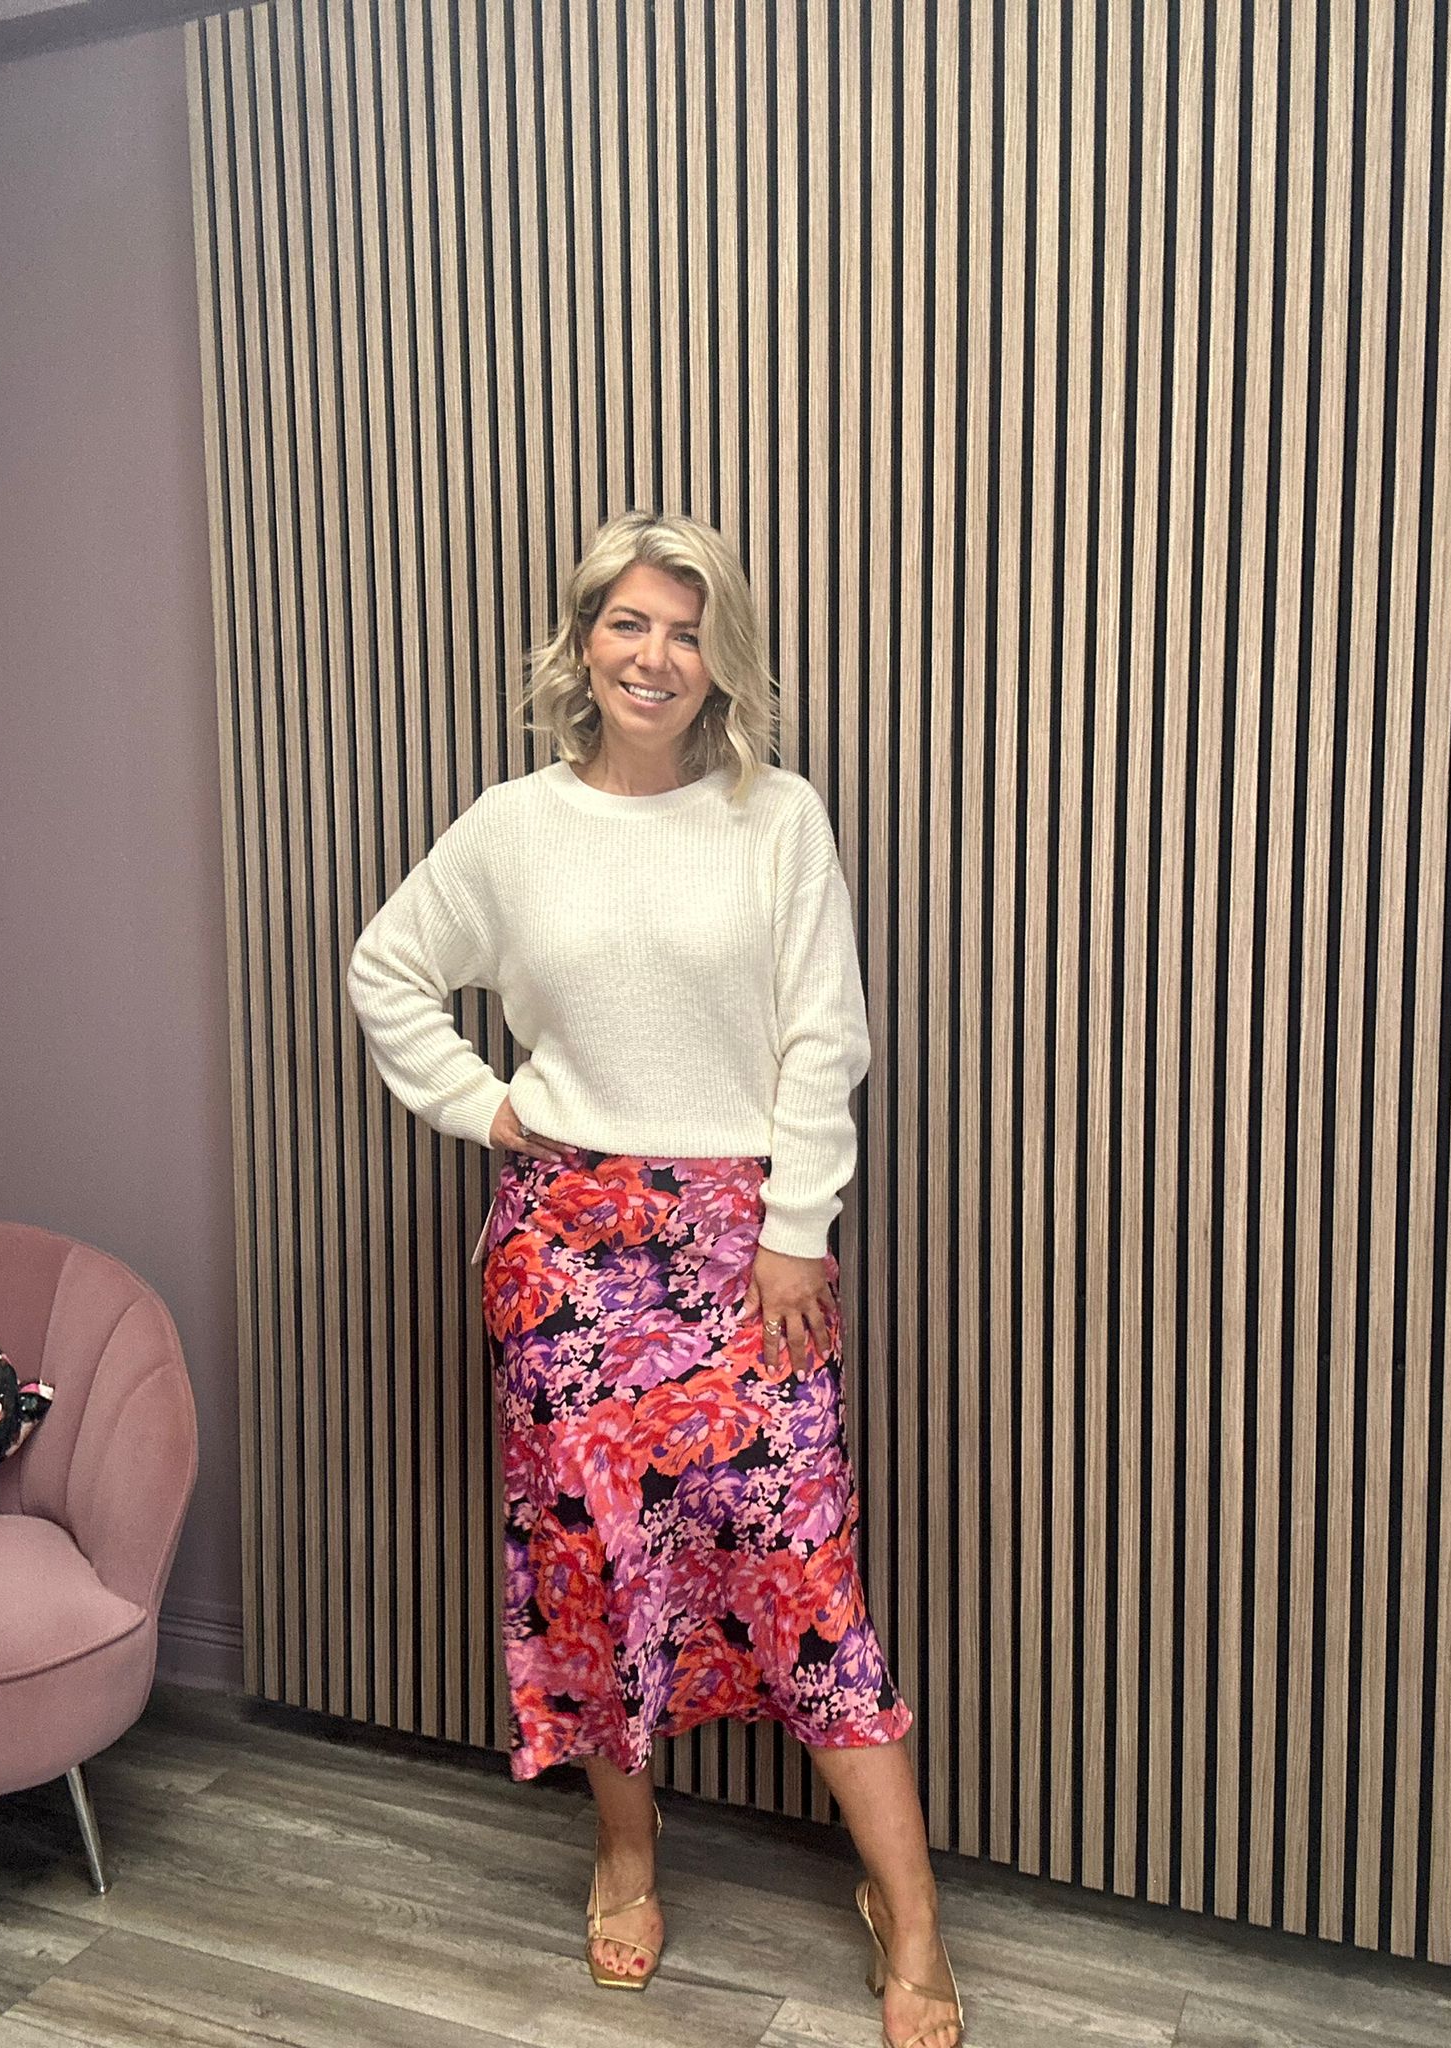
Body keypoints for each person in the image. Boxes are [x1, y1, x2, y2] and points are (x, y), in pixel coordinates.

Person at [346, 510, 965, 2048]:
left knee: (806, 1578)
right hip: (567, 1256)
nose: (655, 655)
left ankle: (909, 1912)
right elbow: (387, 968)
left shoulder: (777, 819)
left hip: (752, 1256)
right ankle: (626, 1854)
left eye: (686, 632)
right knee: (598, 1569)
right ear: (585, 643)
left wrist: (798, 1223)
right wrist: (489, 1106)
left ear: (719, 661)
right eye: (628, 622)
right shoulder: (514, 827)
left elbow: (824, 1036)